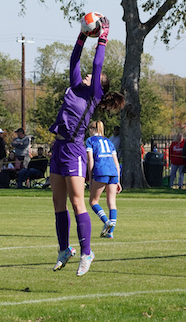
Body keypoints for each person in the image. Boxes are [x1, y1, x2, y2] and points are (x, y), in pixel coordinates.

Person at [48, 16, 124, 276]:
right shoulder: (76, 86)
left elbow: (97, 61)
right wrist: (82, 36)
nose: (91, 73)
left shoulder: (94, 95)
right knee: (58, 202)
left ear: (100, 87)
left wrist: (103, 37)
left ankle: (87, 252)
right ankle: (64, 249)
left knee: (77, 202)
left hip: (74, 149)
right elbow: (75, 60)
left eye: (95, 75)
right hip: (58, 148)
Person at [86, 121, 121, 239]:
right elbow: (116, 161)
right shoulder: (109, 141)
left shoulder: (90, 141)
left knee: (93, 201)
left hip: (101, 171)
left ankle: (106, 221)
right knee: (112, 202)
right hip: (113, 173)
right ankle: (110, 233)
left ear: (92, 129)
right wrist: (118, 180)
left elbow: (90, 160)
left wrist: (90, 178)